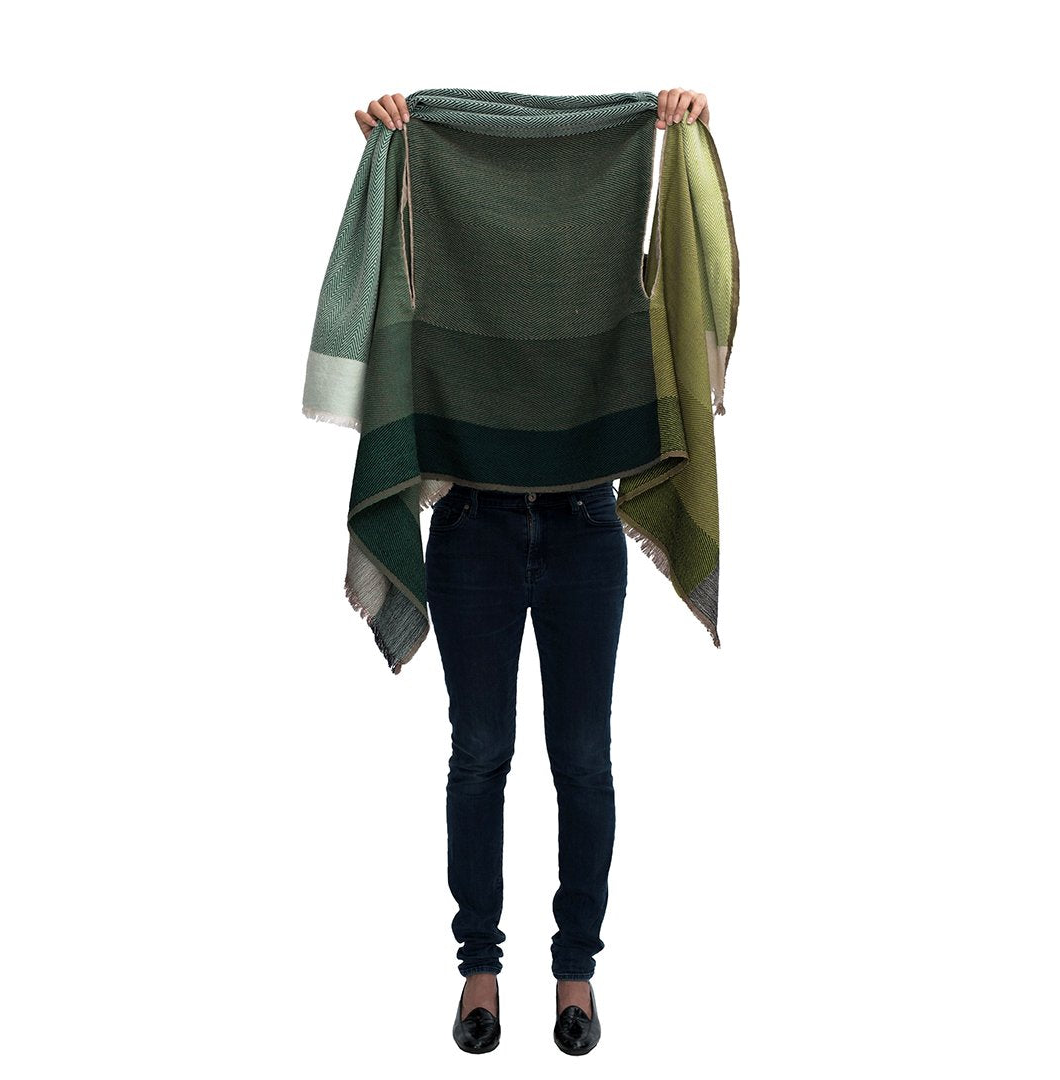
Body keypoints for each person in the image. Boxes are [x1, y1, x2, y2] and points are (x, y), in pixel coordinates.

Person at [353, 87, 711, 1055]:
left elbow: (661, 277)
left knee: (582, 757)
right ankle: (479, 969)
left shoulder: (614, 218)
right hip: (472, 525)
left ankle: (575, 973)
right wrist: (392, 143)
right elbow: (402, 269)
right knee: (480, 753)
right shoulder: (440, 198)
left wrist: (676, 127)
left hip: (585, 526)